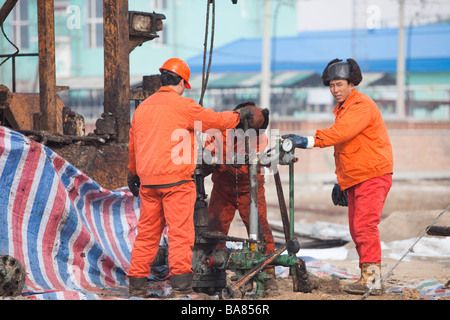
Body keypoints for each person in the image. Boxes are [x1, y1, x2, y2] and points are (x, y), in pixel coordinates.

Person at [126, 57, 254, 298]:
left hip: (149, 183)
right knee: (180, 235)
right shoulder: (182, 105)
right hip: (176, 182)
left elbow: (133, 144)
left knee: (146, 236)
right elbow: (215, 121)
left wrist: (133, 172)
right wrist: (238, 116)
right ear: (182, 82)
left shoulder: (142, 108)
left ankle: (136, 288)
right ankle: (181, 289)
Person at [282, 58, 393, 295]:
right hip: (357, 176)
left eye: (340, 84)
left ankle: (372, 282)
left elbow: (340, 134)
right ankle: (367, 276)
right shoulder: (344, 109)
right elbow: (346, 149)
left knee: (365, 226)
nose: (335, 90)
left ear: (351, 83)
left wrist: (308, 141)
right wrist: (341, 180)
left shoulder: (362, 105)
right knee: (356, 228)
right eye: (332, 85)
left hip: (372, 175)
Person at [204, 102, 277, 292]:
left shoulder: (259, 137)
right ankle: (213, 272)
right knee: (215, 231)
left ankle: (267, 272)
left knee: (261, 230)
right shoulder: (219, 132)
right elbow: (206, 155)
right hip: (222, 190)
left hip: (250, 190)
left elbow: (255, 156)